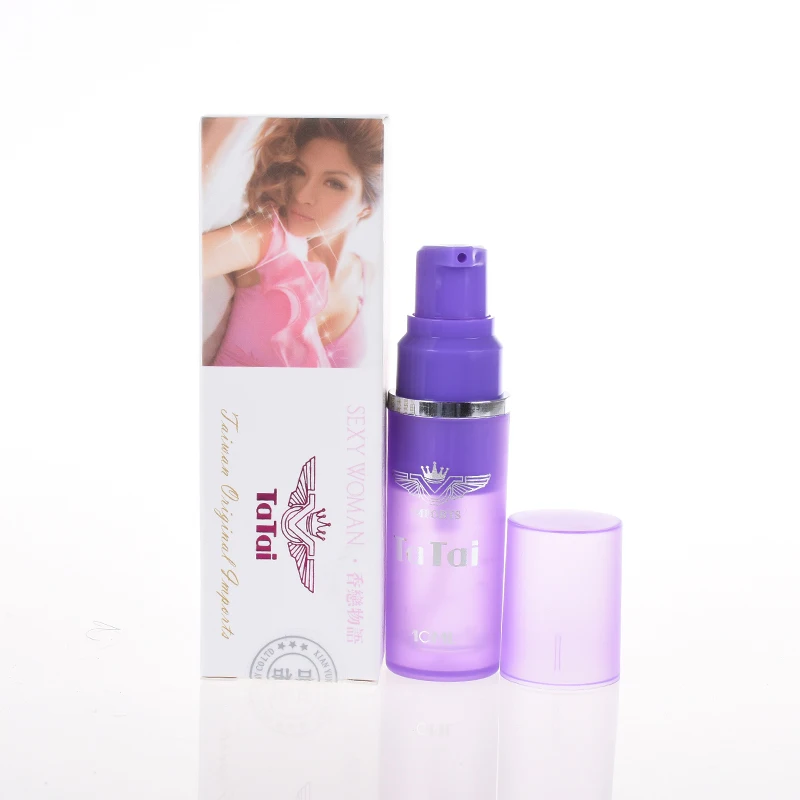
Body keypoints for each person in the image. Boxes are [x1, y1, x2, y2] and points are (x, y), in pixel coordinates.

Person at [202, 118, 383, 367]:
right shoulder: (266, 238)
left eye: (334, 183)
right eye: (299, 171)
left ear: (366, 207)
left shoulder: (366, 275)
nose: (302, 194)